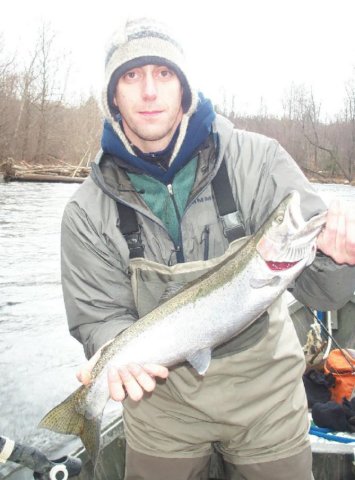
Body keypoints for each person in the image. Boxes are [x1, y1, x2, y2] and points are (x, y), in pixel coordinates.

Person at [61, 17, 355, 480]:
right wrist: (109, 354)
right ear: (113, 97)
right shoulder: (85, 212)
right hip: (160, 405)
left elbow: (326, 295)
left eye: (164, 74)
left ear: (185, 88)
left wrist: (341, 257)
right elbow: (99, 317)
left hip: (267, 395)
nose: (150, 91)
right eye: (132, 76)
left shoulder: (259, 160)